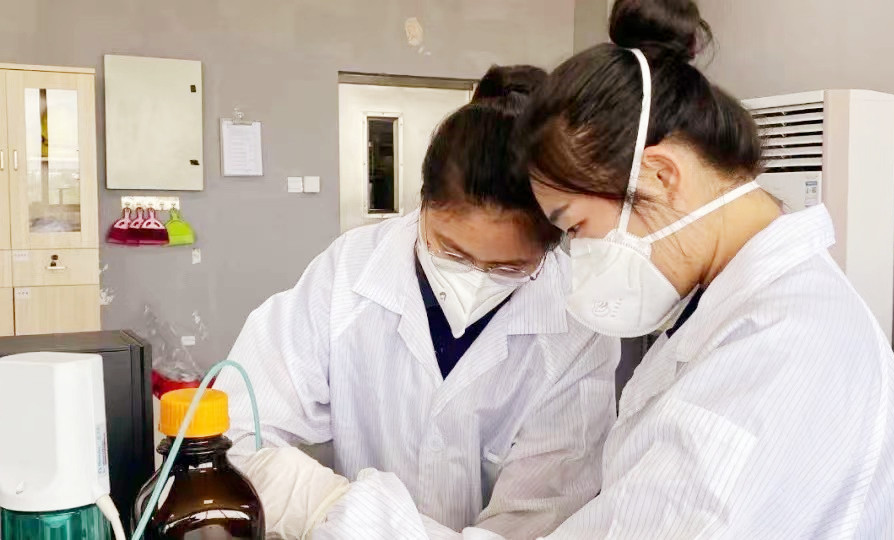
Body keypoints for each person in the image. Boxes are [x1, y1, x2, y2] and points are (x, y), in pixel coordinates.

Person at [303, 0, 894, 538]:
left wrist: (332, 510)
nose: (578, 258)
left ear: (660, 175)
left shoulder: (783, 348)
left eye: (573, 227)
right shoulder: (721, 320)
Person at [214, 65, 619, 539]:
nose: (475, 281)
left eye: (508, 268)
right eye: (452, 252)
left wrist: (349, 516)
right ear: (423, 203)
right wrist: (314, 499)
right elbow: (231, 437)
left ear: (554, 245)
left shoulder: (578, 326)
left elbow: (534, 525)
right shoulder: (350, 272)